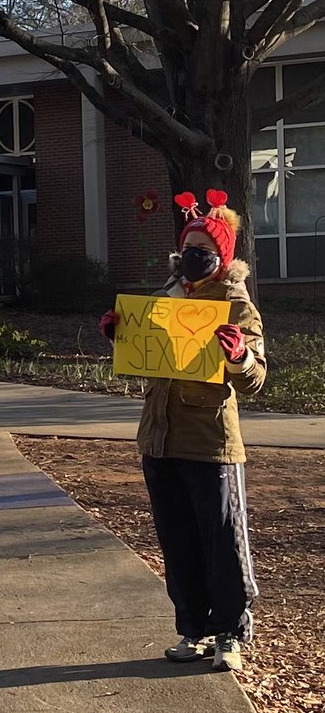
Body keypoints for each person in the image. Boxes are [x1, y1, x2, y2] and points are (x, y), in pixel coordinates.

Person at [99, 189, 266, 672]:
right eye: (187, 250)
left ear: (222, 256)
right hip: (159, 438)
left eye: (204, 252)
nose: (192, 259)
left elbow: (255, 379)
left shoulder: (235, 304)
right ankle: (192, 628)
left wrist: (238, 355)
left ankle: (230, 632)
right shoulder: (164, 297)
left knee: (222, 540)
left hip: (211, 442)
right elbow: (146, 358)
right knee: (177, 539)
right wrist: (121, 333)